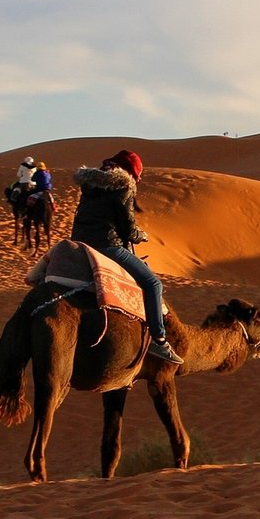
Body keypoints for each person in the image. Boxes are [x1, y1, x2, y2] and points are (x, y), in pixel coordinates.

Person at [70, 149, 182, 364]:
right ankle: (159, 341)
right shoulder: (123, 186)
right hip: (107, 245)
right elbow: (128, 230)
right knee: (153, 284)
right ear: (131, 172)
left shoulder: (90, 183)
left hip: (80, 243)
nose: (137, 180)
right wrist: (141, 235)